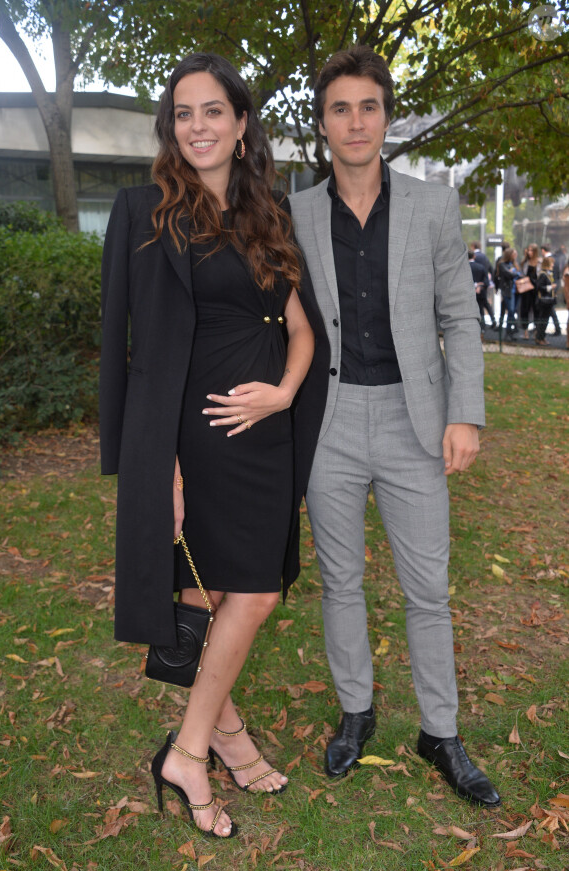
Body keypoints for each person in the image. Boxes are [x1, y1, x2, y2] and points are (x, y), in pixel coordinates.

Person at [99, 52, 329, 838]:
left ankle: (209, 739)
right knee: (218, 595)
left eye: (213, 112)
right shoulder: (144, 211)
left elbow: (302, 330)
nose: (197, 126)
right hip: (190, 435)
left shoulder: (270, 214)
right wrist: (152, 458)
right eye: (184, 113)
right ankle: (200, 747)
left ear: (240, 126)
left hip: (263, 436)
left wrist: (287, 390)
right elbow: (130, 347)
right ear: (173, 127)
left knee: (244, 592)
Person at [289, 46, 500, 808]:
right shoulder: (297, 211)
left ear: (386, 116)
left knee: (428, 589)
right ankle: (356, 712)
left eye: (368, 106)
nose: (355, 120)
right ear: (323, 123)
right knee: (341, 581)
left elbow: (458, 317)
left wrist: (465, 412)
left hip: (417, 418)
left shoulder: (433, 205)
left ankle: (440, 731)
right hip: (331, 417)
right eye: (340, 107)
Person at [497, 248, 522, 341]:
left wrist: (514, 272)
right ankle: (514, 328)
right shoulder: (502, 264)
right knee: (510, 310)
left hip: (516, 291)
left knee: (512, 311)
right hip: (508, 291)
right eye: (514, 254)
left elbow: (519, 274)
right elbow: (510, 275)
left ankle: (509, 332)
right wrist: (515, 273)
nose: (515, 256)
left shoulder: (514, 264)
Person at [469, 246, 496, 330]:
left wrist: (474, 285)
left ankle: (481, 326)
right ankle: (490, 322)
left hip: (469, 293)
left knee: (478, 308)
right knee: (484, 306)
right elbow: (486, 281)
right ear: (474, 256)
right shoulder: (481, 267)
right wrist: (480, 286)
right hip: (481, 291)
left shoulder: (464, 268)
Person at [534, 255, 557, 345]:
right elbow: (539, 287)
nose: (553, 265)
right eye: (552, 263)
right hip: (544, 301)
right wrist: (550, 287)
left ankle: (541, 337)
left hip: (548, 301)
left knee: (545, 320)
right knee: (543, 320)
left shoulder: (547, 274)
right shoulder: (543, 274)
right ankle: (539, 338)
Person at [520, 244, 539, 339]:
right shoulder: (525, 262)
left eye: (531, 250)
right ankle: (525, 332)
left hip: (535, 290)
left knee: (536, 310)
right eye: (529, 250)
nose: (529, 252)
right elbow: (522, 274)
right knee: (525, 310)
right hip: (526, 290)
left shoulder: (539, 262)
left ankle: (536, 332)